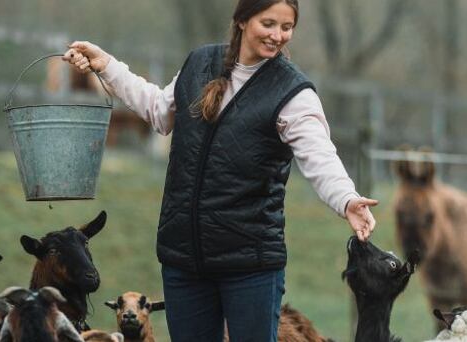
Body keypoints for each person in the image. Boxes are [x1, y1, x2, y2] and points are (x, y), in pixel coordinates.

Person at [62, 0, 378, 340]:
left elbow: (319, 156)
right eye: (268, 24)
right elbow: (158, 110)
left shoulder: (292, 92)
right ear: (242, 20)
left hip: (250, 266)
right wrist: (105, 65)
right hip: (184, 261)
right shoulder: (200, 63)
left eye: (287, 27)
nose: (278, 36)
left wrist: (346, 199)